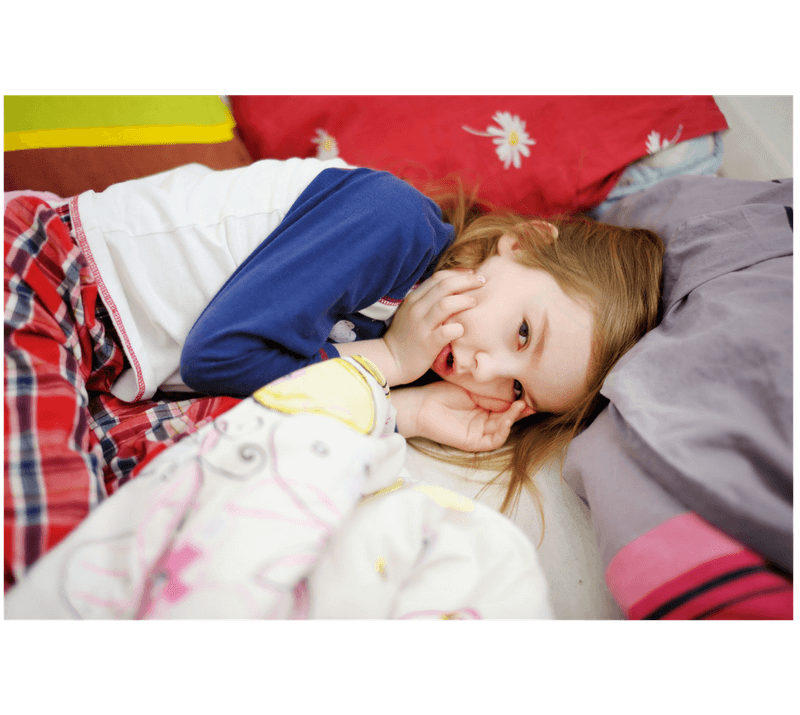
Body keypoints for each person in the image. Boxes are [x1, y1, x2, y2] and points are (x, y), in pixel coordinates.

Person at [3, 157, 663, 588]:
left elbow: (248, 399)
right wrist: (394, 364)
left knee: (169, 508)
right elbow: (218, 358)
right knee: (57, 553)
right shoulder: (393, 225)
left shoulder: (413, 353)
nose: (488, 369)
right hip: (49, 274)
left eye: (518, 389)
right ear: (521, 243)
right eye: (523, 332)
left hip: (111, 373)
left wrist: (408, 410)